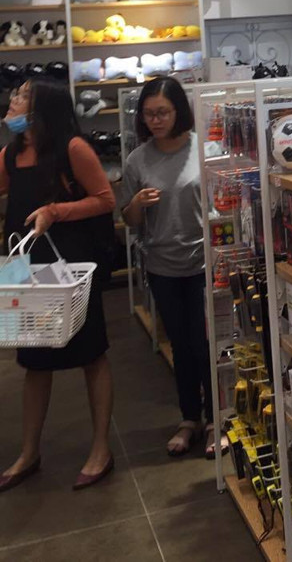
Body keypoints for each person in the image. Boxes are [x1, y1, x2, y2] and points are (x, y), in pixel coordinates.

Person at [0, 79, 115, 493]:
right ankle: (29, 452)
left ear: (41, 108)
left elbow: (105, 199)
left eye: (21, 96)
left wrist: (55, 210)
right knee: (33, 359)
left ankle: (101, 448)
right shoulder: (10, 154)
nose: (12, 100)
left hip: (71, 263)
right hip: (21, 265)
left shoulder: (73, 149)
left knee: (90, 353)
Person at [121, 76, 220, 458]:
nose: (156, 120)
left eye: (162, 112)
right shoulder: (137, 160)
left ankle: (215, 420)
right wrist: (136, 205)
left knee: (206, 343)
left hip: (204, 264)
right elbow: (129, 220)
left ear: (179, 111)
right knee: (180, 344)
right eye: (149, 114)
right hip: (162, 266)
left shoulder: (204, 150)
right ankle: (189, 418)